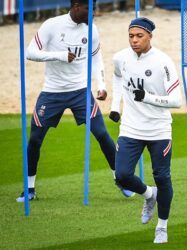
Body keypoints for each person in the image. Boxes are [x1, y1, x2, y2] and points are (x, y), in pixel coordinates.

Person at [16, 0, 133, 202]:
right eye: (90, 8)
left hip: (80, 92)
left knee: (102, 134)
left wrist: (101, 85)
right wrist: (60, 56)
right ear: (77, 6)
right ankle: (30, 188)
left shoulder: (92, 29)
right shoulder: (52, 25)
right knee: (35, 139)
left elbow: (96, 58)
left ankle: (120, 179)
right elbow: (30, 53)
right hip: (52, 92)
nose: (94, 12)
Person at [109, 17, 182, 243]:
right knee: (121, 175)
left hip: (159, 130)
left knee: (162, 177)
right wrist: (114, 106)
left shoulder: (163, 62)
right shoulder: (120, 58)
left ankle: (162, 227)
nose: (134, 40)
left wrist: (148, 98)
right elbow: (117, 77)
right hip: (131, 127)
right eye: (131, 36)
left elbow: (176, 101)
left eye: (139, 36)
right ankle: (149, 195)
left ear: (150, 36)